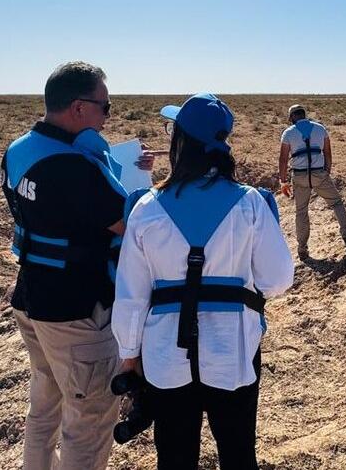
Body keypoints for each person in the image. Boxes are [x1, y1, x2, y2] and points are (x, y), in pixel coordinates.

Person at [112, 93, 295, 470]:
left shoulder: (146, 208)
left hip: (165, 357)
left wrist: (129, 358)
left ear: (179, 141)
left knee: (175, 457)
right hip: (234, 352)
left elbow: (131, 296)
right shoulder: (252, 203)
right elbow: (277, 280)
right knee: (238, 452)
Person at [1, 61, 157, 470]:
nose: (107, 116)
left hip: (31, 296)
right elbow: (131, 224)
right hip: (75, 312)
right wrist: (144, 185)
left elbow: (57, 212)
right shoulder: (74, 166)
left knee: (45, 404)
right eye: (105, 106)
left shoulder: (18, 150)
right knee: (88, 421)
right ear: (78, 108)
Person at [277, 104, 346, 260]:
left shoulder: (288, 133)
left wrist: (283, 181)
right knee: (337, 204)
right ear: (304, 114)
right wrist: (327, 171)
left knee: (301, 211)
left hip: (299, 177)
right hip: (320, 174)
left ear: (292, 117)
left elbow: (283, 159)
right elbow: (327, 152)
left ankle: (302, 249)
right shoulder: (320, 129)